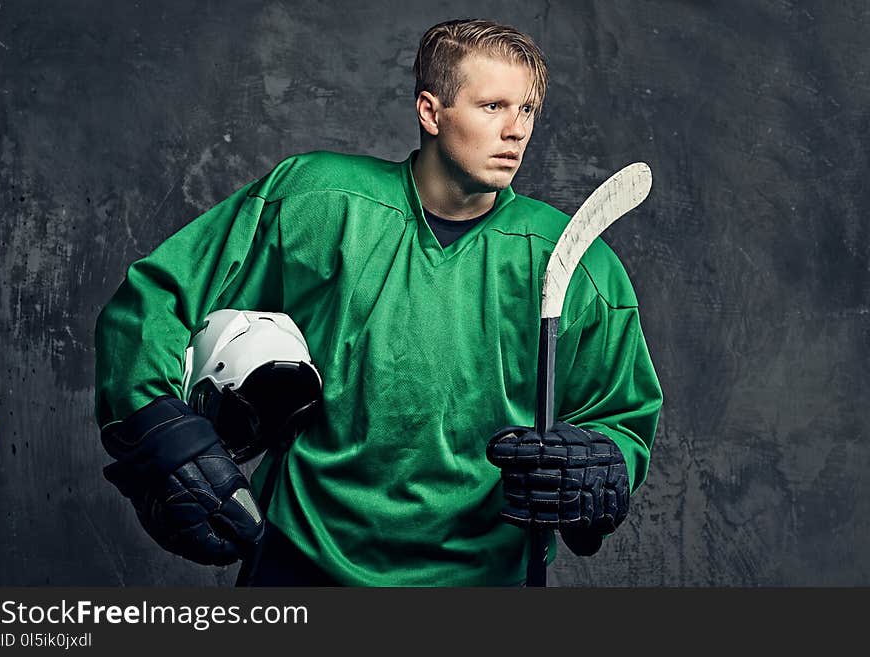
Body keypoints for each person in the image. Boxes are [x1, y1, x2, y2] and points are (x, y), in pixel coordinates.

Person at [94, 18, 663, 586]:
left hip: (488, 578)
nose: (516, 131)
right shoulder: (318, 203)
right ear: (431, 111)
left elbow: (621, 414)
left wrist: (602, 462)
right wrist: (158, 425)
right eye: (492, 106)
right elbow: (158, 296)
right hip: (305, 560)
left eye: (528, 110)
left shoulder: (575, 260)